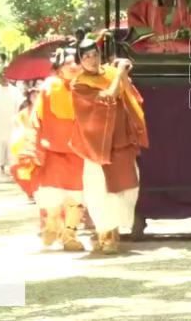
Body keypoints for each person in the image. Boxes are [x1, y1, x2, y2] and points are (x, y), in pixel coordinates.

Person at [69, 39, 149, 254]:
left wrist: (121, 74)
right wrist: (119, 72)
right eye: (86, 57)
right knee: (99, 191)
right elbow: (107, 99)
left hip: (120, 140)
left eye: (94, 54)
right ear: (80, 60)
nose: (92, 60)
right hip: (97, 146)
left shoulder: (111, 73)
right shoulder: (79, 84)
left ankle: (113, 231)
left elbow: (130, 96)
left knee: (128, 187)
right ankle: (105, 235)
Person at [33, 46, 87, 252]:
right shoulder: (49, 87)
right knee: (52, 195)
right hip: (53, 151)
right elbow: (37, 119)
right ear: (59, 68)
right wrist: (37, 146)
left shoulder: (88, 87)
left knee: (77, 196)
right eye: (68, 63)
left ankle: (70, 235)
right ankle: (52, 224)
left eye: (77, 62)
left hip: (80, 151)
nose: (73, 67)